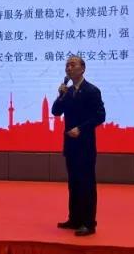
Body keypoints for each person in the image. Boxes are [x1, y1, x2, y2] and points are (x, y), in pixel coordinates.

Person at [52, 55, 105, 236]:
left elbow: (100, 116)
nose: (68, 68)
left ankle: (89, 223)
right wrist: (60, 95)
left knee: (86, 185)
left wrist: (81, 129)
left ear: (82, 68)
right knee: (73, 183)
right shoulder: (67, 92)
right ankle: (74, 219)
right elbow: (55, 112)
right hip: (70, 145)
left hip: (85, 145)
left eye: (72, 65)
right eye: (67, 65)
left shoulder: (92, 91)